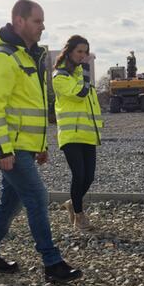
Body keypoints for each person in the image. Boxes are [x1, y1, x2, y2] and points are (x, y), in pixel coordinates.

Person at [0, 0, 82, 283]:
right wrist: (3, 150)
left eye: (43, 21)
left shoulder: (28, 56)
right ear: (19, 21)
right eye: (37, 21)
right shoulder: (3, 56)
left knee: (11, 202)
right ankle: (51, 262)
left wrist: (40, 145)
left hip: (24, 146)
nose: (43, 27)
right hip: (10, 147)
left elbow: (31, 106)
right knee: (36, 196)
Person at [52, 34, 102, 231]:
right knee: (79, 175)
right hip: (71, 135)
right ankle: (79, 216)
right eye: (80, 51)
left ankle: (73, 203)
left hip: (88, 134)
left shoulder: (82, 74)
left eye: (85, 52)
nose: (83, 55)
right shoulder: (60, 76)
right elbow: (80, 94)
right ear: (69, 51)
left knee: (89, 177)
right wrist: (88, 69)